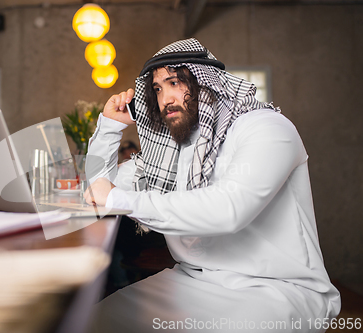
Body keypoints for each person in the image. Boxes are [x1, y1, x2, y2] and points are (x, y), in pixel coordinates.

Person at [84, 38, 340, 332]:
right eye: (157, 88)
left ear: (207, 83)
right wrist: (109, 127)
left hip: (276, 289)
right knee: (93, 323)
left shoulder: (267, 128)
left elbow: (229, 210)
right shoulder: (171, 152)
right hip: (191, 279)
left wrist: (124, 200)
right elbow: (99, 188)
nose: (165, 97)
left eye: (175, 82)